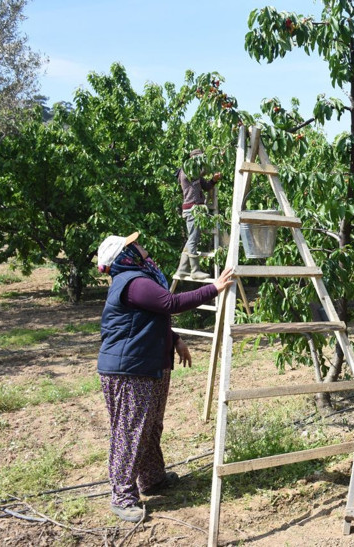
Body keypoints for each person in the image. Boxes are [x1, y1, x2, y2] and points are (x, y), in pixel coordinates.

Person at [96, 231, 233, 522]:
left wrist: (175, 339)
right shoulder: (133, 282)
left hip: (147, 365)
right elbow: (170, 303)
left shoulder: (138, 279)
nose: (141, 247)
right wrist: (214, 288)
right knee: (130, 431)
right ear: (125, 255)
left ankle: (152, 478)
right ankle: (122, 495)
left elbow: (146, 320)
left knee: (149, 426)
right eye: (134, 245)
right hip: (129, 370)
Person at [176, 149, 222, 280]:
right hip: (192, 209)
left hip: (196, 210)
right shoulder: (187, 170)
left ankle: (182, 269)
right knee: (193, 239)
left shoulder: (195, 173)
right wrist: (217, 157)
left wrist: (213, 180)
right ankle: (195, 270)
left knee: (192, 238)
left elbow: (206, 186)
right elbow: (205, 169)